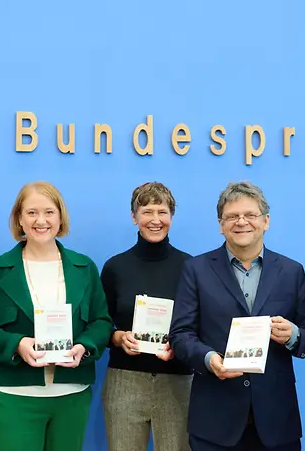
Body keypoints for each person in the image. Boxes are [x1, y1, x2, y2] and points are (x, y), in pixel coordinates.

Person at [0, 181, 113, 451]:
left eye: (49, 212)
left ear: (60, 217)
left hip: (71, 396)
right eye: (31, 212)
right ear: (19, 218)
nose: (40, 220)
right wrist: (17, 345)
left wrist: (84, 347)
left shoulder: (85, 268)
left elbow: (101, 322)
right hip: (14, 396)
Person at [169, 181, 305, 451]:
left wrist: (293, 335)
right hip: (214, 421)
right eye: (232, 216)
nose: (241, 222)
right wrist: (208, 358)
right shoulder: (196, 270)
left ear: (266, 221)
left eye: (250, 215)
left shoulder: (291, 271)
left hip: (276, 421)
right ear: (220, 224)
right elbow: (180, 335)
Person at [99, 182, 192, 451]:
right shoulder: (115, 267)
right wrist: (116, 337)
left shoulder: (190, 267)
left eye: (162, 212)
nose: (155, 220)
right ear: (134, 217)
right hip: (125, 380)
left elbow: (199, 322)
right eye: (147, 211)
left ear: (171, 217)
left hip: (177, 380)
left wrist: (181, 344)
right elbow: (99, 322)